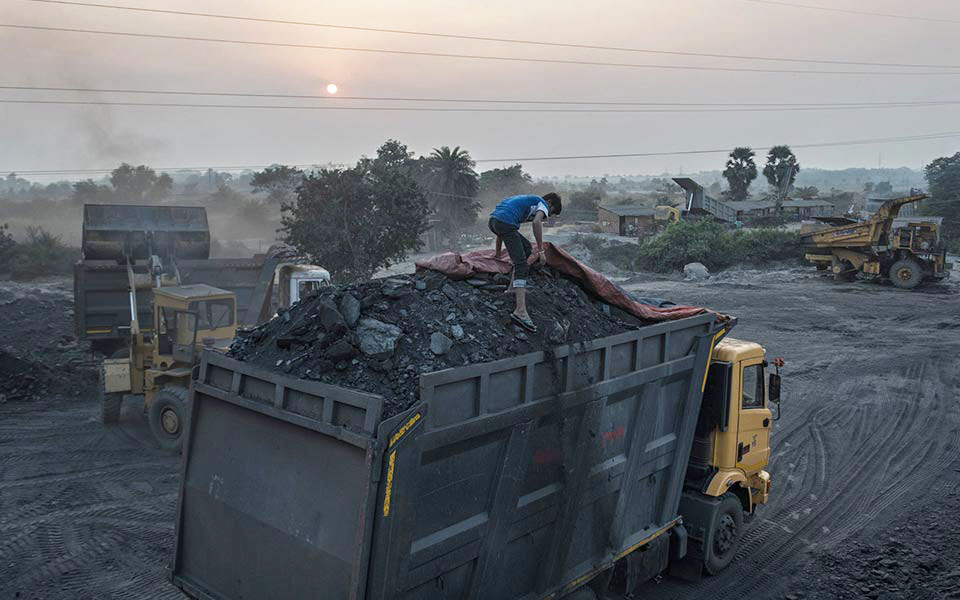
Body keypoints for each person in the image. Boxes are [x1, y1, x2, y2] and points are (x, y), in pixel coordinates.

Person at [488, 192, 562, 332]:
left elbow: (500, 228)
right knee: (522, 264)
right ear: (550, 203)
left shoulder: (522, 202)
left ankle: (512, 288)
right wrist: (541, 251)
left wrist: (498, 253)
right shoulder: (542, 203)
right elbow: (536, 222)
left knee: (527, 248)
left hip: (493, 222)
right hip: (505, 223)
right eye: (550, 213)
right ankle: (520, 311)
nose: (546, 216)